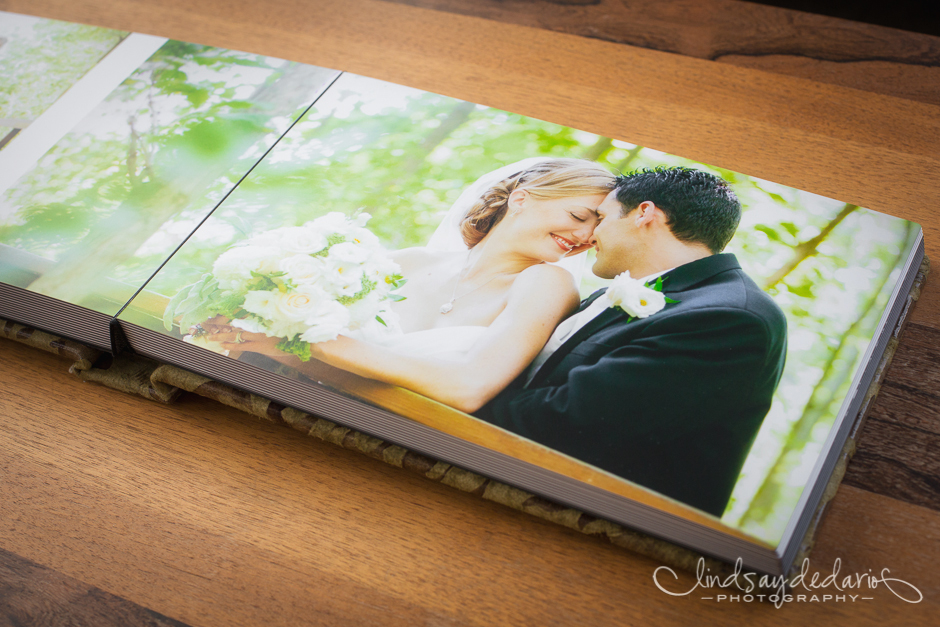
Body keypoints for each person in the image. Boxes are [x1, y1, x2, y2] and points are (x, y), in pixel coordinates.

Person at [475, 166, 788, 517]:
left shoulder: (731, 317)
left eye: (602, 218)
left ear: (644, 214)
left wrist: (460, 391)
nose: (590, 235)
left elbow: (573, 421)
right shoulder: (618, 295)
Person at [208, 158, 617, 412]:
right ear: (521, 199)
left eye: (596, 229)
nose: (582, 237)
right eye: (579, 216)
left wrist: (304, 344)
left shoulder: (548, 282)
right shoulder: (405, 262)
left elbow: (468, 389)